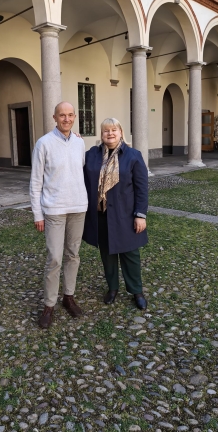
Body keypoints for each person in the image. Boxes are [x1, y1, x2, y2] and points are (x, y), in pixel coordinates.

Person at [30, 102, 88, 329]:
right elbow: (36, 182)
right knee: (54, 258)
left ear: (75, 117)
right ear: (54, 117)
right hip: (53, 210)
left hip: (78, 207)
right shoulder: (43, 143)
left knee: (73, 254)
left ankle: (69, 296)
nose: (66, 119)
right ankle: (49, 304)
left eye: (70, 115)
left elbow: (80, 171)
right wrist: (38, 214)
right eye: (62, 115)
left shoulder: (80, 142)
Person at [83, 118, 148, 309]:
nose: (110, 134)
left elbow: (142, 188)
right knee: (108, 255)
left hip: (126, 216)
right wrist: (76, 139)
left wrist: (140, 214)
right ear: (101, 135)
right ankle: (112, 288)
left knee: (130, 255)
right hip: (101, 215)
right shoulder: (92, 155)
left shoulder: (133, 155)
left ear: (121, 132)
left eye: (114, 130)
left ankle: (136, 291)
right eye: (105, 131)